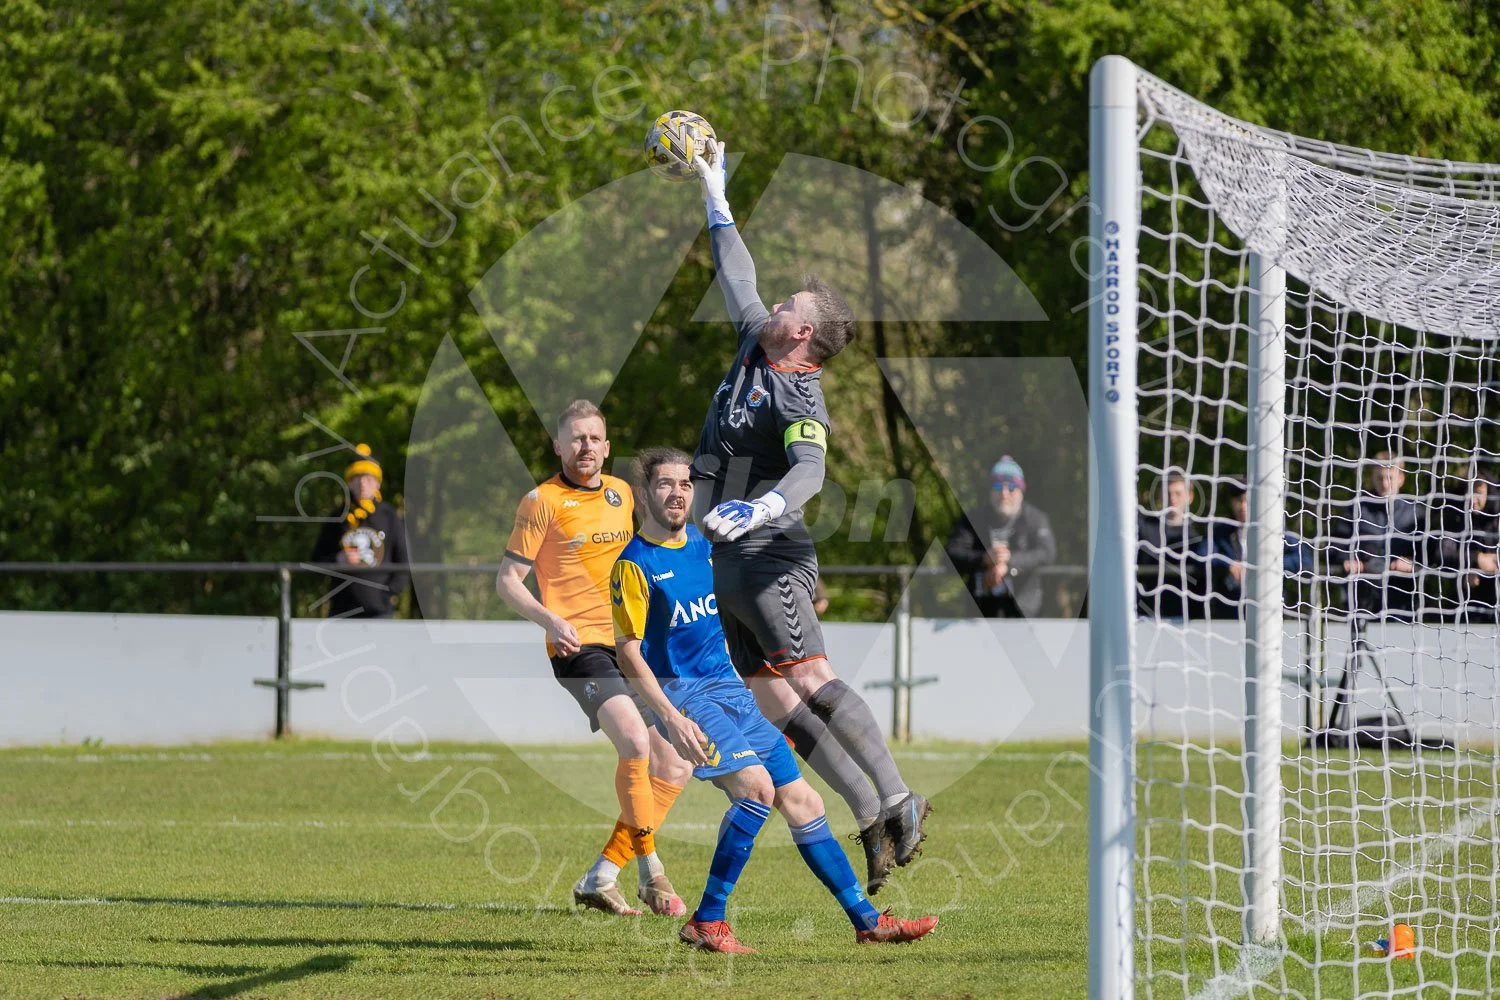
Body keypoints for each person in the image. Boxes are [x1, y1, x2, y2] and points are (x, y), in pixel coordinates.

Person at [686, 140, 928, 895]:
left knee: (812, 677)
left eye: (788, 304)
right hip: (722, 558)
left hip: (770, 551)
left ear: (801, 334)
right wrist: (714, 193)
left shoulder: (798, 392)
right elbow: (738, 274)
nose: (775, 303)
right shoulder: (755, 344)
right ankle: (869, 814)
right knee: (770, 697)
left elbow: (812, 470)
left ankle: (898, 798)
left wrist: (757, 505)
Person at [610, 448, 939, 952]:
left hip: (729, 690)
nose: (677, 493)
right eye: (664, 485)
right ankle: (708, 920)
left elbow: (758, 569)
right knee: (757, 790)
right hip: (683, 698)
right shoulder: (635, 565)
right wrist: (669, 719)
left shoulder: (706, 546)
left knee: (804, 800)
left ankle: (868, 921)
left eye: (684, 484)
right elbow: (629, 653)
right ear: (644, 494)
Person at [494, 400, 692, 917]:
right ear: (558, 446)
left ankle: (601, 876)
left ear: (607, 446)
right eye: (575, 439)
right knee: (633, 739)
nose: (586, 447)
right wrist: (549, 620)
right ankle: (653, 873)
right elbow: (507, 581)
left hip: (631, 646)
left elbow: (650, 553)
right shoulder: (541, 501)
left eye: (595, 438)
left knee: (675, 763)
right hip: (578, 649)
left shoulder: (622, 493)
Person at [944, 456, 1058, 618]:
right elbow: (951, 553)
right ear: (991, 491)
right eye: (998, 487)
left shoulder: (1036, 519)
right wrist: (984, 559)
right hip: (979, 615)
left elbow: (1047, 553)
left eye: (1011, 487)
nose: (1004, 494)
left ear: (1021, 491)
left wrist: (1010, 562)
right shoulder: (974, 519)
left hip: (1025, 614)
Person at [311, 443, 410, 618]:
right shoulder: (337, 518)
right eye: (358, 477)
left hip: (380, 613)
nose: (363, 483)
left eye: (369, 478)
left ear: (377, 484)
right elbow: (315, 561)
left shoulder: (389, 516)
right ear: (349, 482)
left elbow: (403, 564)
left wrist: (387, 596)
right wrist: (338, 559)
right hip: (341, 612)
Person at [1194, 480, 1314, 619]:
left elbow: (1304, 559)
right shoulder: (1221, 532)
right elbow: (1202, 556)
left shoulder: (1274, 531)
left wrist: (1266, 566)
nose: (1243, 506)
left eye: (1248, 500)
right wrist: (1229, 564)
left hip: (1269, 613)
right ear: (1232, 502)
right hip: (1229, 615)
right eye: (1239, 500)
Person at [1328, 452, 1425, 620]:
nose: (1385, 484)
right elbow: (1334, 547)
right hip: (1361, 600)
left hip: (1402, 602)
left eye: (1390, 478)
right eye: (1380, 478)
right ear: (1372, 477)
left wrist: (1413, 564)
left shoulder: (1416, 514)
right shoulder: (1356, 509)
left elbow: (1431, 555)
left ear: (1401, 479)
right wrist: (1348, 559)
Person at [1432, 470, 1500, 622]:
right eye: (1468, 493)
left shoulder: (1496, 516)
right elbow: (1443, 553)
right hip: (1465, 602)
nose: (1473, 500)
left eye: (1478, 493)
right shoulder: (1455, 515)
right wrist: (1476, 560)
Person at [1136, 469, 1204, 620]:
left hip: (1183, 618)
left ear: (1189, 496)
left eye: (1178, 493)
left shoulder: (1197, 539)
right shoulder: (1143, 526)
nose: (1173, 499)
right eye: (1168, 493)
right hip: (1144, 616)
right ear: (1160, 495)